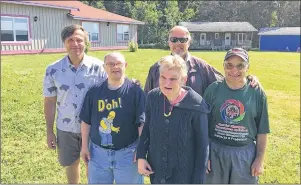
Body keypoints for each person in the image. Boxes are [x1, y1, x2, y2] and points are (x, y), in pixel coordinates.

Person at [43, 24, 106, 184]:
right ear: (64, 43)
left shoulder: (99, 67)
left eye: (79, 40)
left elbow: (108, 97)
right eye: (70, 40)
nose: (75, 44)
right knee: (71, 164)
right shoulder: (53, 69)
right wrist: (49, 131)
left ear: (85, 42)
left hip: (94, 128)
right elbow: (50, 101)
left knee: (93, 164)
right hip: (66, 128)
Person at [136, 55, 210, 183]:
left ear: (184, 79)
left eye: (173, 79)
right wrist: (141, 156)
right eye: (163, 77)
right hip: (158, 171)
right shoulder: (153, 97)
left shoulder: (196, 105)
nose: (166, 83)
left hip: (184, 175)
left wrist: (198, 180)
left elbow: (202, 147)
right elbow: (147, 129)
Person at [203, 48, 270, 184]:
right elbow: (202, 125)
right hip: (216, 152)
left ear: (248, 67)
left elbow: (262, 131)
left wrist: (259, 159)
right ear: (223, 66)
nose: (234, 70)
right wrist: (204, 155)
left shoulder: (257, 93)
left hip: (244, 155)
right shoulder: (213, 90)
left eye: (240, 66)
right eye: (229, 65)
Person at [79, 52, 145, 184]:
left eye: (119, 64)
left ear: (125, 65)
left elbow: (141, 123)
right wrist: (84, 146)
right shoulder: (94, 91)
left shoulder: (135, 91)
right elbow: (86, 121)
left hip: (128, 154)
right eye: (111, 64)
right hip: (98, 154)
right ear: (104, 67)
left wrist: (141, 150)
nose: (115, 67)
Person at [144, 26, 259, 96]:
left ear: (189, 43)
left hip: (193, 132)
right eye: (174, 39)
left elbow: (228, 82)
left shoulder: (202, 68)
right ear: (169, 42)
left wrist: (249, 79)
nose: (178, 43)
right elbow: (146, 100)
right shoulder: (155, 69)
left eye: (183, 39)